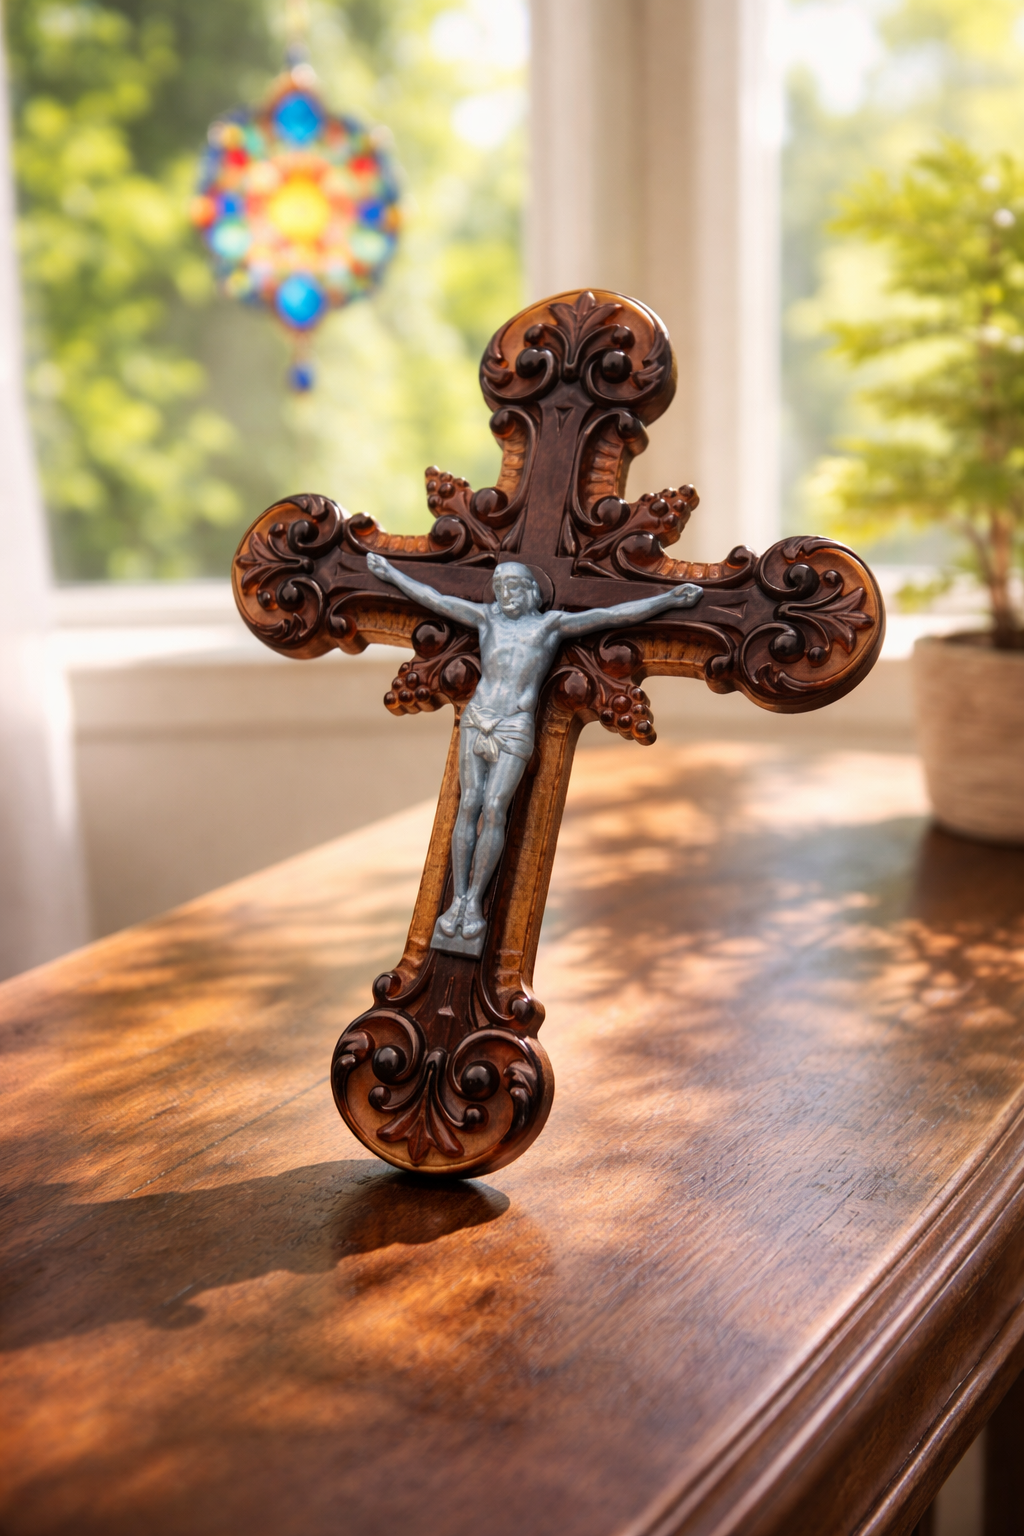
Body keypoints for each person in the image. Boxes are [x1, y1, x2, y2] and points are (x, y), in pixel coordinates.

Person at [366, 553, 703, 947]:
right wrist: (390, 573)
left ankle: (474, 903)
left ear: (531, 592)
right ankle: (456, 901)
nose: (504, 594)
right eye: (499, 587)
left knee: (495, 807)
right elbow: (434, 599)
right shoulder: (486, 619)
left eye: (512, 586)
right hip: (478, 717)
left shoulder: (549, 625)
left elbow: (611, 616)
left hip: (514, 723)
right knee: (468, 803)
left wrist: (668, 599)